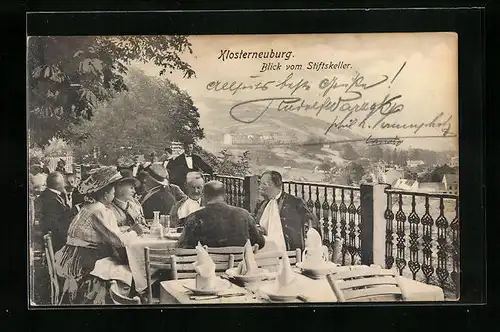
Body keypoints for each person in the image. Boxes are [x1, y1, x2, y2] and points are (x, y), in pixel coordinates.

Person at [54, 166, 131, 305]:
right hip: (83, 260)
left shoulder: (87, 208)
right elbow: (118, 241)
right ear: (105, 193)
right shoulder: (100, 211)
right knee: (124, 268)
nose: (114, 192)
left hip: (71, 255)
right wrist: (133, 233)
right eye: (113, 189)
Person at [177, 180, 265, 249]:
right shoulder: (244, 215)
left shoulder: (195, 218)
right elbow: (260, 242)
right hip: (238, 269)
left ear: (203, 196)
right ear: (225, 196)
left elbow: (182, 246)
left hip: (207, 270)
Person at [254, 170, 320, 252]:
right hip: (265, 250)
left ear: (273, 185)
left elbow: (312, 223)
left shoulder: (295, 202)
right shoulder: (262, 204)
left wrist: (308, 245)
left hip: (290, 253)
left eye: (263, 184)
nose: (259, 187)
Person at [35, 172, 72, 252]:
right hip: (57, 241)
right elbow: (56, 225)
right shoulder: (51, 201)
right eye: (63, 183)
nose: (65, 185)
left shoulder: (51, 194)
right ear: (58, 185)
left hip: (55, 235)